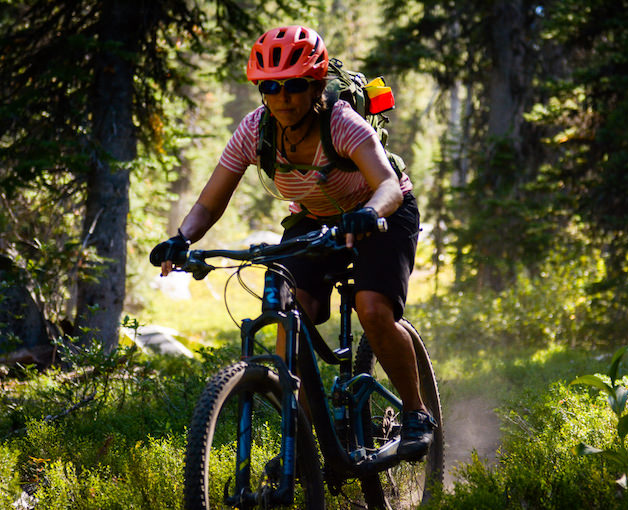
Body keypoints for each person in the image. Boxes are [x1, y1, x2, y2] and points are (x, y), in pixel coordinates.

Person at [150, 25, 434, 461]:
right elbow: (209, 203)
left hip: (382, 213)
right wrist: (181, 238)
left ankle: (416, 413)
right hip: (314, 220)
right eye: (270, 87)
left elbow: (388, 186)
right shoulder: (255, 130)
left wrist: (369, 212)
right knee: (290, 315)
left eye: (294, 85)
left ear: (316, 86)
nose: (282, 97)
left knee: (373, 308)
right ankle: (299, 444)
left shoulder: (340, 123)